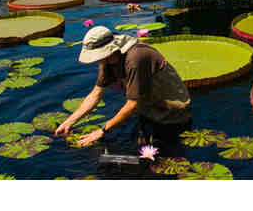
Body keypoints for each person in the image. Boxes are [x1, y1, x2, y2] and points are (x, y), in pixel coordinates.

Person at [54, 26, 191, 146]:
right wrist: (69, 122)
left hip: (172, 114)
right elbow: (96, 94)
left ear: (108, 50)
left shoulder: (136, 58)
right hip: (148, 109)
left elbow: (132, 104)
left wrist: (102, 130)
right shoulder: (106, 60)